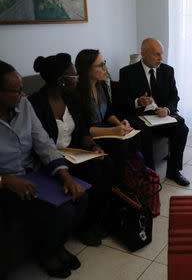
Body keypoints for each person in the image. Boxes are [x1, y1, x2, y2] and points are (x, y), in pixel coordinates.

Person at [0, 60, 87, 278]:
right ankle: (47, 254)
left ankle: (57, 246)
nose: (22, 94)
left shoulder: (24, 106)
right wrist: (6, 180)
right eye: (16, 90)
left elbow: (44, 143)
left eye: (22, 88)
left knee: (79, 197)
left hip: (34, 174)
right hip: (7, 184)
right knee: (59, 211)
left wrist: (64, 176)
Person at [29, 53, 113, 247]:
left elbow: (82, 130)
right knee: (92, 173)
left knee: (106, 164)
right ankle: (83, 228)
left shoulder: (71, 99)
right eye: (74, 76)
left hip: (74, 154)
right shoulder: (36, 104)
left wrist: (92, 146)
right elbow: (39, 145)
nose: (78, 79)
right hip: (51, 161)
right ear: (61, 81)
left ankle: (95, 221)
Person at [119, 38, 190, 186]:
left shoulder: (167, 70)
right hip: (141, 117)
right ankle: (149, 174)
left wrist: (167, 109)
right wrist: (137, 102)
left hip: (162, 116)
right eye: (156, 54)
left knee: (182, 128)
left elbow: (174, 97)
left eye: (161, 54)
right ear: (143, 54)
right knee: (143, 132)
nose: (160, 58)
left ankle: (174, 171)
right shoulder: (127, 72)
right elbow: (121, 102)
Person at [75, 49, 137, 184]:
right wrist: (114, 131)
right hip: (89, 139)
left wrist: (119, 124)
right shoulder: (77, 93)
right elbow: (85, 129)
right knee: (120, 145)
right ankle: (118, 188)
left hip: (103, 130)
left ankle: (126, 183)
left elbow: (108, 112)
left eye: (105, 63)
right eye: (101, 65)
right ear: (87, 69)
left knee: (132, 137)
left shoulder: (101, 85)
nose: (106, 68)